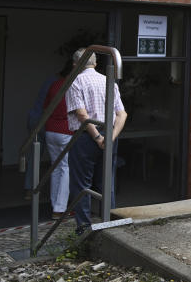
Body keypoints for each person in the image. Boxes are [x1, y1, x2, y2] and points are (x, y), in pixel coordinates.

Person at [67, 48, 128, 233]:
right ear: (95, 63)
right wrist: (109, 138)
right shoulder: (108, 80)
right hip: (109, 135)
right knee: (106, 181)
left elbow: (81, 114)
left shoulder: (75, 81)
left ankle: (84, 226)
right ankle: (109, 224)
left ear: (75, 64)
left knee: (81, 183)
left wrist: (97, 137)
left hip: (85, 137)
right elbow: (122, 113)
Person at [43, 59, 74, 219]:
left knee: (55, 167)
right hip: (66, 131)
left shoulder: (55, 85)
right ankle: (60, 208)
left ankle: (54, 203)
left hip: (51, 130)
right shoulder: (73, 86)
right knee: (65, 168)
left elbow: (46, 107)